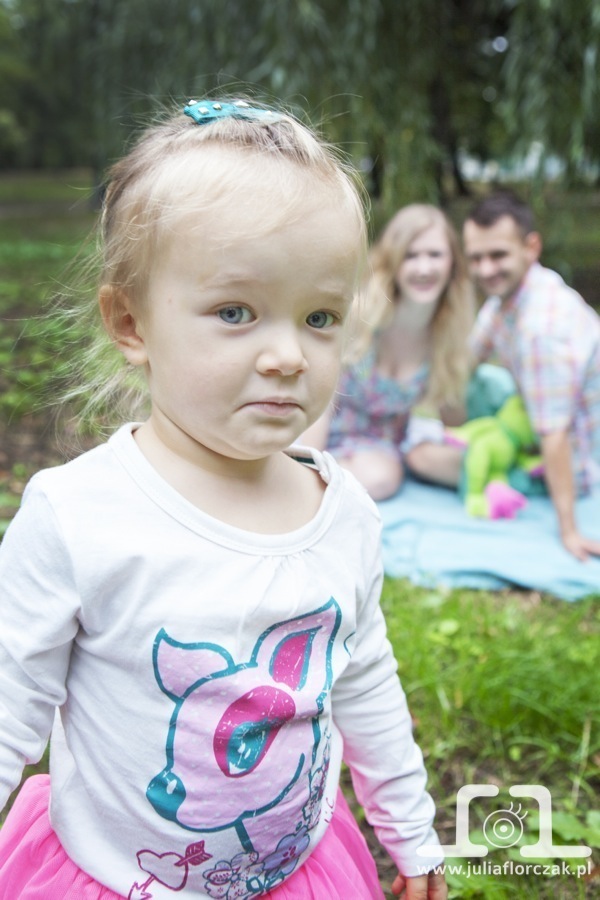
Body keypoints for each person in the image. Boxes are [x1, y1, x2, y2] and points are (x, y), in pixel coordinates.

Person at [0, 99, 446, 899]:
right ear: (130, 323)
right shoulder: (79, 517)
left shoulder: (341, 511)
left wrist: (410, 832)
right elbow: (9, 706)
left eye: (319, 317)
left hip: (297, 868)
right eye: (235, 312)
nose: (287, 355)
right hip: (115, 877)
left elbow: (364, 683)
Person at [409, 190, 600, 561]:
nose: (485, 270)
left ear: (531, 247)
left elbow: (555, 434)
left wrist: (569, 530)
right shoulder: (510, 297)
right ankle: (464, 445)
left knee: (420, 457)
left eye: (498, 255)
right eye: (476, 258)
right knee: (468, 386)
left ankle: (494, 475)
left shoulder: (541, 330)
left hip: (574, 462)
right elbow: (465, 364)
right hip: (528, 423)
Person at [301, 204, 475, 500]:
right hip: (315, 428)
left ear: (453, 263)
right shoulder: (359, 317)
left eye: (435, 255)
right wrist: (306, 463)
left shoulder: (448, 339)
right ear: (393, 261)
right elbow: (318, 394)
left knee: (382, 478)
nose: (424, 268)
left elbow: (454, 420)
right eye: (410, 255)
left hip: (379, 453)